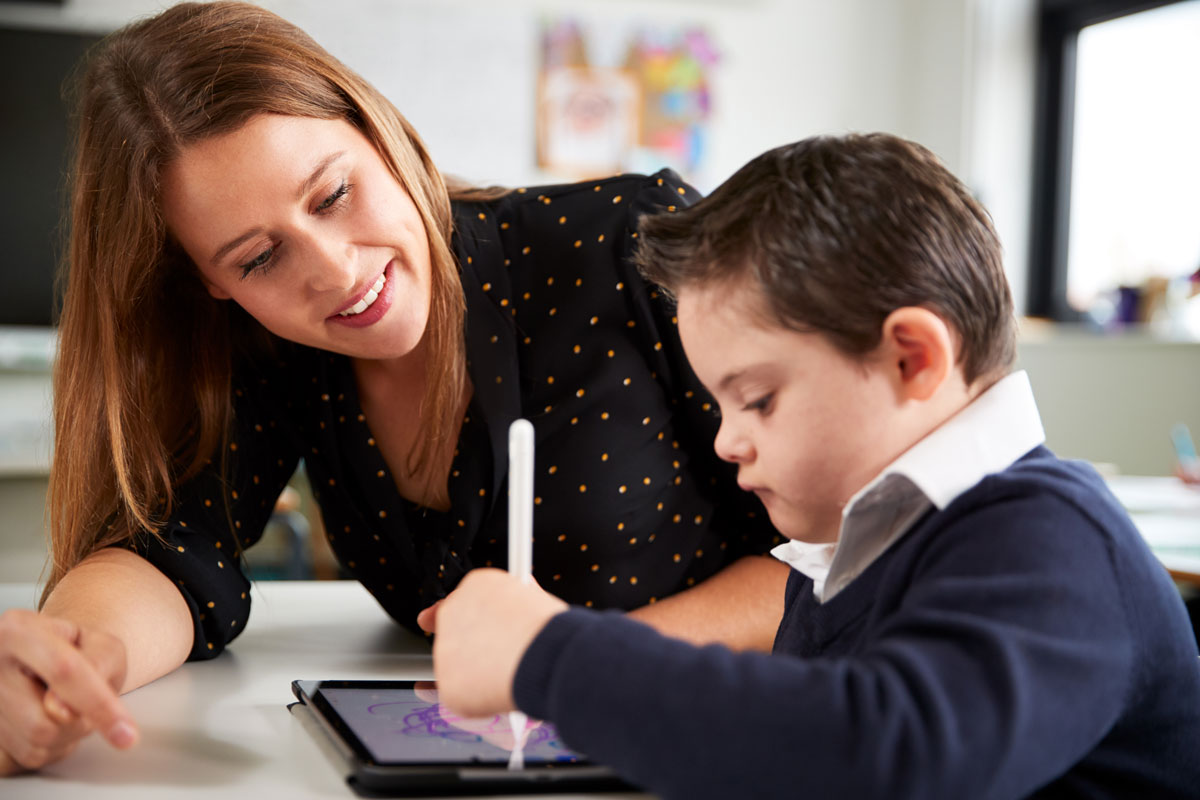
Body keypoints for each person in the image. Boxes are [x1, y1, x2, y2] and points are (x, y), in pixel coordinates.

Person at [0, 1, 787, 776]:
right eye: (257, 259)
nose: (337, 271)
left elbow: (852, 556)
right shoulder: (271, 348)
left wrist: (579, 659)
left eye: (333, 195)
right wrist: (72, 663)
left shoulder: (631, 242)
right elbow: (170, 552)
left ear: (379, 130)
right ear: (209, 284)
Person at [428, 133, 1200, 798]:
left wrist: (552, 656)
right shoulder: (852, 546)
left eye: (756, 399)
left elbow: (887, 757)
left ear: (911, 358)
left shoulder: (1055, 544)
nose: (727, 441)